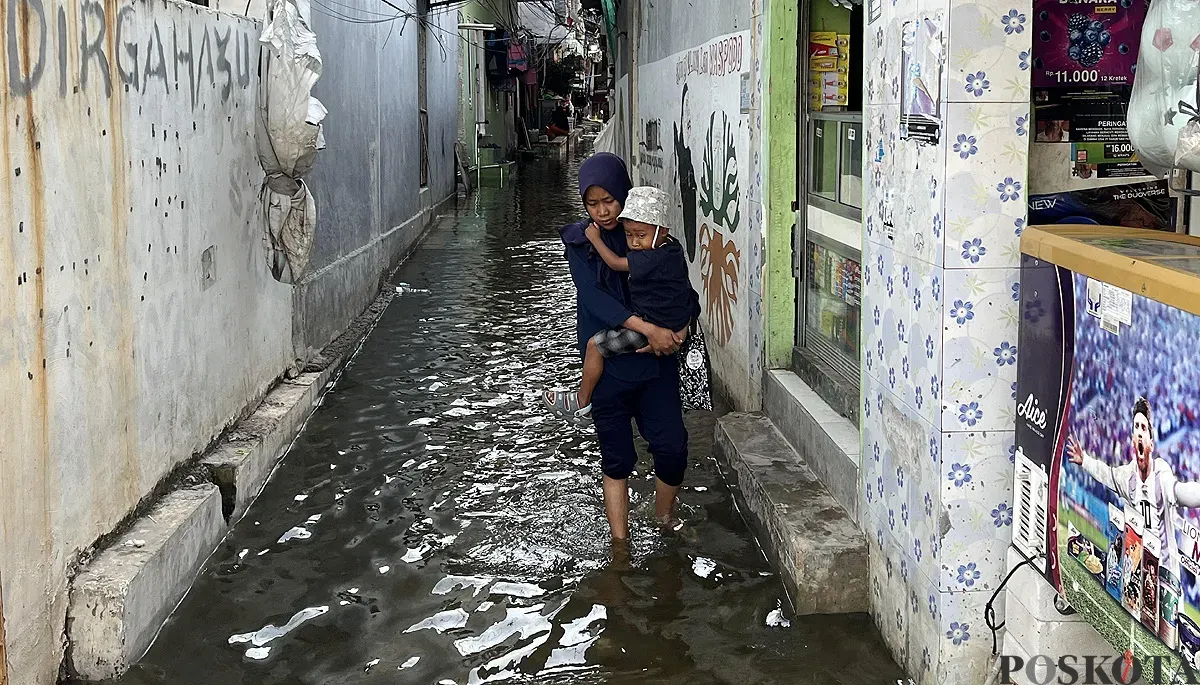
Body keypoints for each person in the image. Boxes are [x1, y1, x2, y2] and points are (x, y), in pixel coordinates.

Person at [552, 153, 694, 540]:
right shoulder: (582, 245)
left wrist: (679, 328)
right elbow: (597, 300)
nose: (602, 212)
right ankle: (620, 545)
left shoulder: (653, 237)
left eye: (609, 201)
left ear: (624, 194)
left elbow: (683, 292)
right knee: (616, 460)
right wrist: (649, 328)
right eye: (592, 204)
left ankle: (663, 519)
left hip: (656, 364)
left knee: (672, 447)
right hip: (612, 370)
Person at [544, 185, 698, 421]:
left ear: (662, 231)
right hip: (668, 324)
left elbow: (615, 263)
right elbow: (685, 292)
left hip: (654, 326)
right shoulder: (672, 248)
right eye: (629, 235)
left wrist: (595, 239)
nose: (634, 243)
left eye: (640, 235)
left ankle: (582, 402)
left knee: (594, 346)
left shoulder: (652, 256)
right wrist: (681, 327)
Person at [1067, 397, 1200, 645]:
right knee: (1137, 632)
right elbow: (1106, 474)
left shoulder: (1162, 476)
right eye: (1135, 428)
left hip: (1166, 577)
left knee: (1170, 644)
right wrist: (1084, 461)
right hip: (1139, 570)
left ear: (1151, 440)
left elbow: (1183, 492)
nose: (1139, 433)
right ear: (1132, 439)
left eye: (1143, 428)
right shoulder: (1127, 476)